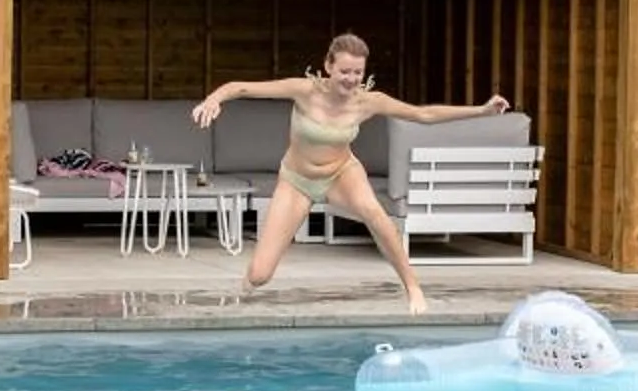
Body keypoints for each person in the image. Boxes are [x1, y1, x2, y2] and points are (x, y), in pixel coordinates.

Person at [192, 33, 507, 315]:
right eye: (345, 71)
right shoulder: (304, 91)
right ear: (328, 66)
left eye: (358, 72)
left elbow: (422, 114)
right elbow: (242, 87)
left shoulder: (368, 102)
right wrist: (214, 99)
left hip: (341, 172)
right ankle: (249, 281)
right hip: (296, 180)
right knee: (260, 275)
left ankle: (412, 286)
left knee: (375, 214)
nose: (351, 79)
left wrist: (480, 110)